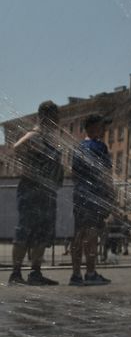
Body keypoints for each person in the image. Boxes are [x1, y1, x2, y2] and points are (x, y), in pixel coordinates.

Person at [8, 101, 64, 286]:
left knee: (42, 232)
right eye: (55, 118)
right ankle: (16, 274)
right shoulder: (36, 134)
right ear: (46, 117)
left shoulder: (50, 138)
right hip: (32, 190)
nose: (57, 121)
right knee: (25, 230)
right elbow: (17, 148)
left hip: (47, 192)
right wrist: (32, 172)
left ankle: (35, 273)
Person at [69, 114, 114, 286]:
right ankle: (90, 273)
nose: (105, 130)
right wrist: (111, 194)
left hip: (80, 195)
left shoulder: (78, 147)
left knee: (79, 235)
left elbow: (74, 174)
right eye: (103, 126)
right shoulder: (100, 146)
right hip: (95, 196)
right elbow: (106, 174)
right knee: (92, 235)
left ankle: (75, 275)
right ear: (94, 127)